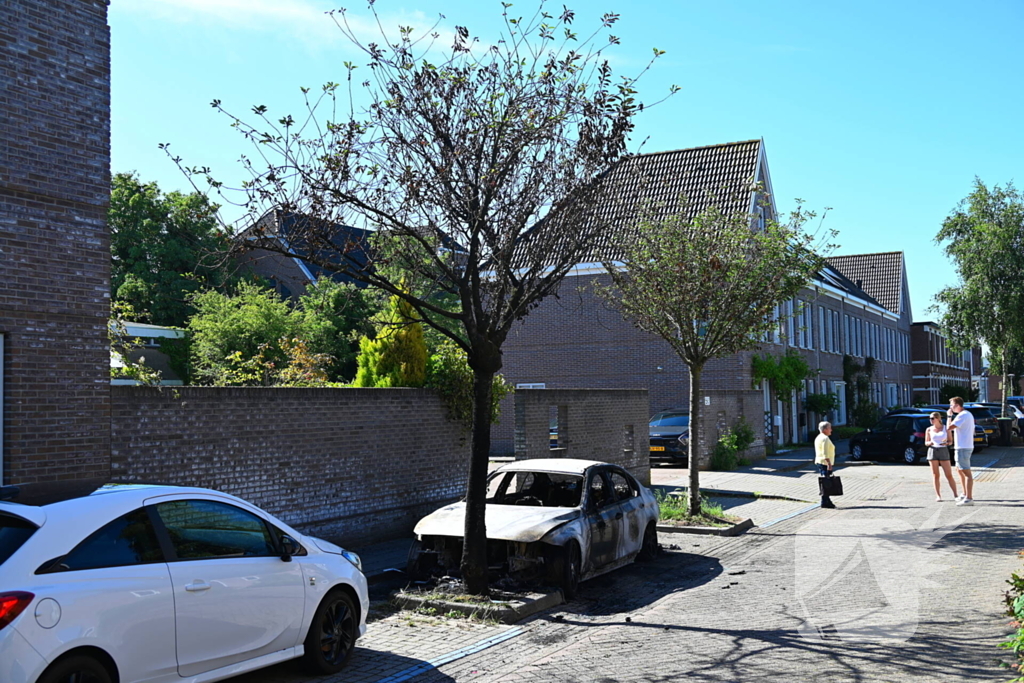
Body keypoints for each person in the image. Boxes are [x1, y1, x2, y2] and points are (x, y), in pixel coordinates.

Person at [947, 397, 975, 505]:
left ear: (958, 405)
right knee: (959, 469)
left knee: (966, 471)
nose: (951, 407)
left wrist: (949, 416)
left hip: (963, 447)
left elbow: (949, 427)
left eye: (952, 405)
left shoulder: (963, 415)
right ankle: (964, 493)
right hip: (961, 446)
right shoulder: (966, 414)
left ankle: (969, 498)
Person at [924, 411, 958, 502]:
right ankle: (938, 495)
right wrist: (929, 443)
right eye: (930, 418)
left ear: (938, 419)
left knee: (948, 474)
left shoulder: (946, 428)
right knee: (935, 475)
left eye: (932, 418)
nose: (930, 420)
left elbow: (951, 441)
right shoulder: (929, 429)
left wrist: (947, 443)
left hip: (943, 450)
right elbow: (926, 442)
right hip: (933, 450)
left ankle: (955, 494)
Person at [815, 421, 837, 509]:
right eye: (830, 428)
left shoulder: (818, 437)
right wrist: (829, 464)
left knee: (825, 482)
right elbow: (825, 453)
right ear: (825, 429)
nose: (831, 430)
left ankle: (826, 500)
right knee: (826, 483)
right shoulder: (825, 439)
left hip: (820, 462)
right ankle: (825, 501)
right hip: (825, 463)